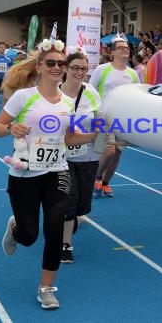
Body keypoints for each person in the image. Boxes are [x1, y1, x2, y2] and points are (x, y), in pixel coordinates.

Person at [0, 38, 97, 310]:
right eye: (51, 62)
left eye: (61, 63)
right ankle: (16, 227)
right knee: (29, 236)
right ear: (39, 67)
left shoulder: (68, 102)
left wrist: (94, 135)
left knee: (55, 229)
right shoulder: (24, 97)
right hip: (25, 173)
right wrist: (11, 128)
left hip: (57, 171)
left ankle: (46, 288)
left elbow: (69, 138)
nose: (57, 67)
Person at [59, 51, 102, 263]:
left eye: (83, 69)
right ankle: (65, 244)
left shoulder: (91, 93)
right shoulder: (54, 93)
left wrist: (103, 144)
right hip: (60, 158)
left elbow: (99, 120)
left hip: (88, 156)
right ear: (65, 68)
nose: (79, 72)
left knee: (82, 206)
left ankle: (70, 219)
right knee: (69, 199)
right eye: (75, 67)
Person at [89, 36, 140, 198]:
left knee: (117, 153)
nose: (125, 50)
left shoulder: (132, 74)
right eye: (121, 48)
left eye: (127, 48)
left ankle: (105, 184)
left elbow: (138, 96)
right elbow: (90, 91)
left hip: (123, 120)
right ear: (113, 52)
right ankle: (94, 179)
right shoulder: (102, 69)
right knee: (109, 151)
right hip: (104, 116)